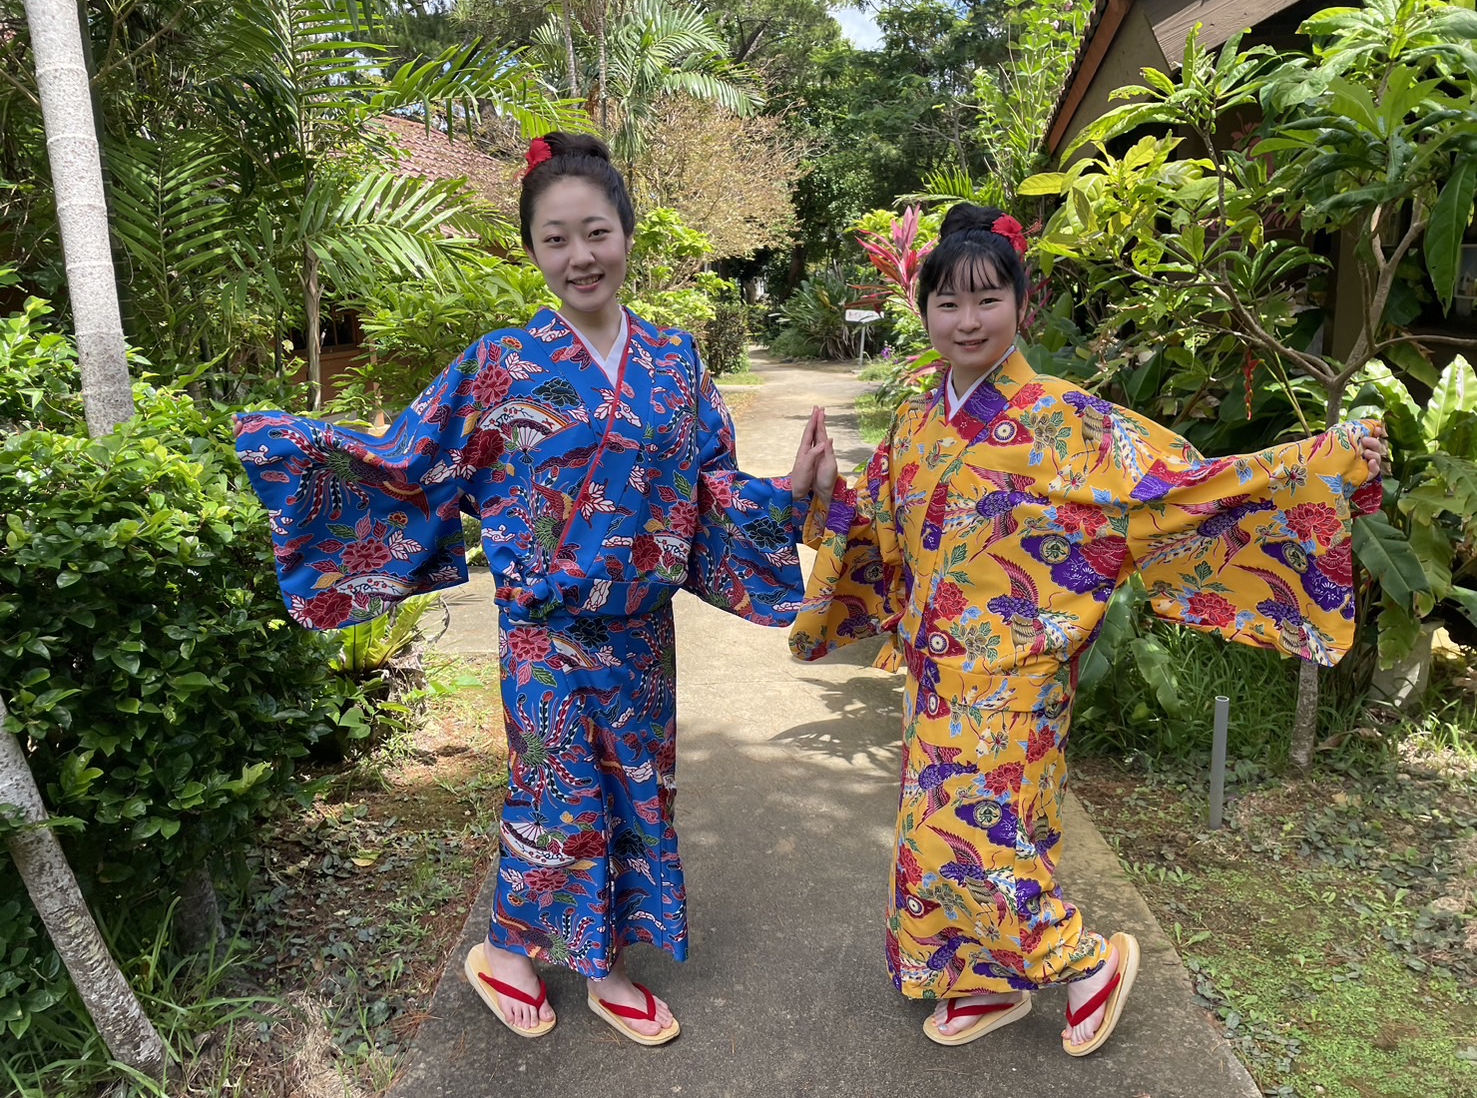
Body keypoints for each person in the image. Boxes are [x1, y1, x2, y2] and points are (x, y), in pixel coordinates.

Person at [235, 132, 835, 1046]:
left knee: (641, 793)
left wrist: (789, 497)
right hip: (539, 635)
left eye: (594, 232)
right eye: (554, 240)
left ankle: (597, 959)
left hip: (638, 634)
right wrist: (299, 455)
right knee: (555, 793)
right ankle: (524, 956)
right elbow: (409, 465)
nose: (578, 256)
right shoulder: (499, 364)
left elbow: (710, 494)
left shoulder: (676, 365)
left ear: (627, 236)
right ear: (533, 251)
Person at [790, 204, 1385, 1055]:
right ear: (920, 310)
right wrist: (819, 494)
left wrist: (1326, 459)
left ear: (1020, 306)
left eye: (987, 299)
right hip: (936, 671)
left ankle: (1086, 961)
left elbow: (1181, 488)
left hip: (1021, 668)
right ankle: (979, 981)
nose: (966, 321)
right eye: (947, 303)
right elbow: (880, 529)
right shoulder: (918, 416)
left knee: (979, 832)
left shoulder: (1068, 420)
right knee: (945, 832)